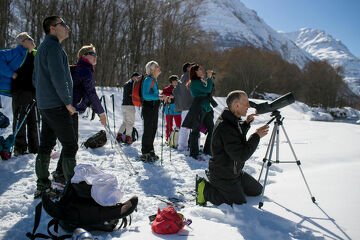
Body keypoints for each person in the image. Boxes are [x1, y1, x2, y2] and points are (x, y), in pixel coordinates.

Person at [196, 90, 269, 206]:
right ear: (236, 105)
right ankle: (205, 189)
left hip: (234, 171)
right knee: (238, 203)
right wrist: (256, 136)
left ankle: (235, 187)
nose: (249, 106)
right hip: (223, 175)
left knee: (257, 190)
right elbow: (241, 155)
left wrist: (246, 124)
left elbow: (235, 139)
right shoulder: (225, 126)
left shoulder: (232, 120)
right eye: (246, 103)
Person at [32, 16, 77, 198]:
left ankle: (42, 185)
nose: (67, 27)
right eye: (63, 24)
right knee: (70, 145)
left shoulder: (42, 47)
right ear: (52, 28)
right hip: (57, 105)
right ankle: (71, 190)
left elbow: (36, 78)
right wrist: (67, 102)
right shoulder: (53, 47)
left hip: (45, 105)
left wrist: (44, 98)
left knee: (46, 144)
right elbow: (59, 77)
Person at [52, 44, 106, 184]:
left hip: (71, 109)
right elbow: (91, 92)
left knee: (71, 142)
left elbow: (84, 92)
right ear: (84, 56)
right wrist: (101, 112)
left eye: (95, 54)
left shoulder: (84, 69)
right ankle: (61, 173)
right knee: (71, 143)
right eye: (92, 53)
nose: (95, 56)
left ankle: (62, 171)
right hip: (69, 110)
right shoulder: (84, 70)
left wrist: (92, 105)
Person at [10, 32, 39, 156]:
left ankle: (35, 148)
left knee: (34, 120)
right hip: (20, 91)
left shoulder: (35, 55)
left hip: (33, 92)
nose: (32, 40)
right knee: (20, 119)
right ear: (22, 42)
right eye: (29, 39)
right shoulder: (17, 55)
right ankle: (20, 148)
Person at [182, 64, 215, 159]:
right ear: (195, 72)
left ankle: (208, 150)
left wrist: (210, 79)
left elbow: (211, 90)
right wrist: (209, 79)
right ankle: (194, 153)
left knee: (212, 129)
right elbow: (208, 89)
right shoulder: (194, 83)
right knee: (195, 131)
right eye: (200, 69)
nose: (202, 70)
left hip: (206, 108)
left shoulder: (201, 81)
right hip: (198, 108)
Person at [141, 61, 165, 162]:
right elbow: (145, 95)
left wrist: (161, 97)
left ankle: (150, 150)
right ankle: (145, 152)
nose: (159, 68)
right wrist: (158, 97)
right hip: (148, 107)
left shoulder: (154, 80)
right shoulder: (148, 80)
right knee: (148, 130)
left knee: (153, 129)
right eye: (156, 67)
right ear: (151, 70)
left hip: (153, 107)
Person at [173, 62, 194, 151]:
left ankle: (183, 145)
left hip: (186, 105)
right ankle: (183, 146)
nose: (192, 68)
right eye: (191, 66)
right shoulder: (188, 77)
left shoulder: (183, 77)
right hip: (189, 105)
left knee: (185, 126)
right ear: (187, 69)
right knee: (187, 127)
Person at [117, 72, 141, 144]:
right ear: (133, 77)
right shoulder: (131, 84)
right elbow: (133, 95)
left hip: (124, 105)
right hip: (129, 106)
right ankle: (128, 138)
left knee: (125, 122)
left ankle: (119, 136)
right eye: (136, 77)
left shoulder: (126, 84)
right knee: (130, 122)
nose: (137, 79)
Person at [162, 75, 181, 142]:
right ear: (171, 82)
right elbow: (162, 96)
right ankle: (168, 138)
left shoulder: (180, 89)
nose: (176, 82)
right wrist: (168, 96)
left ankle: (178, 139)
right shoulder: (167, 89)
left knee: (179, 124)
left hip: (177, 108)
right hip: (169, 108)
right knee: (169, 125)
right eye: (174, 81)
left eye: (176, 81)